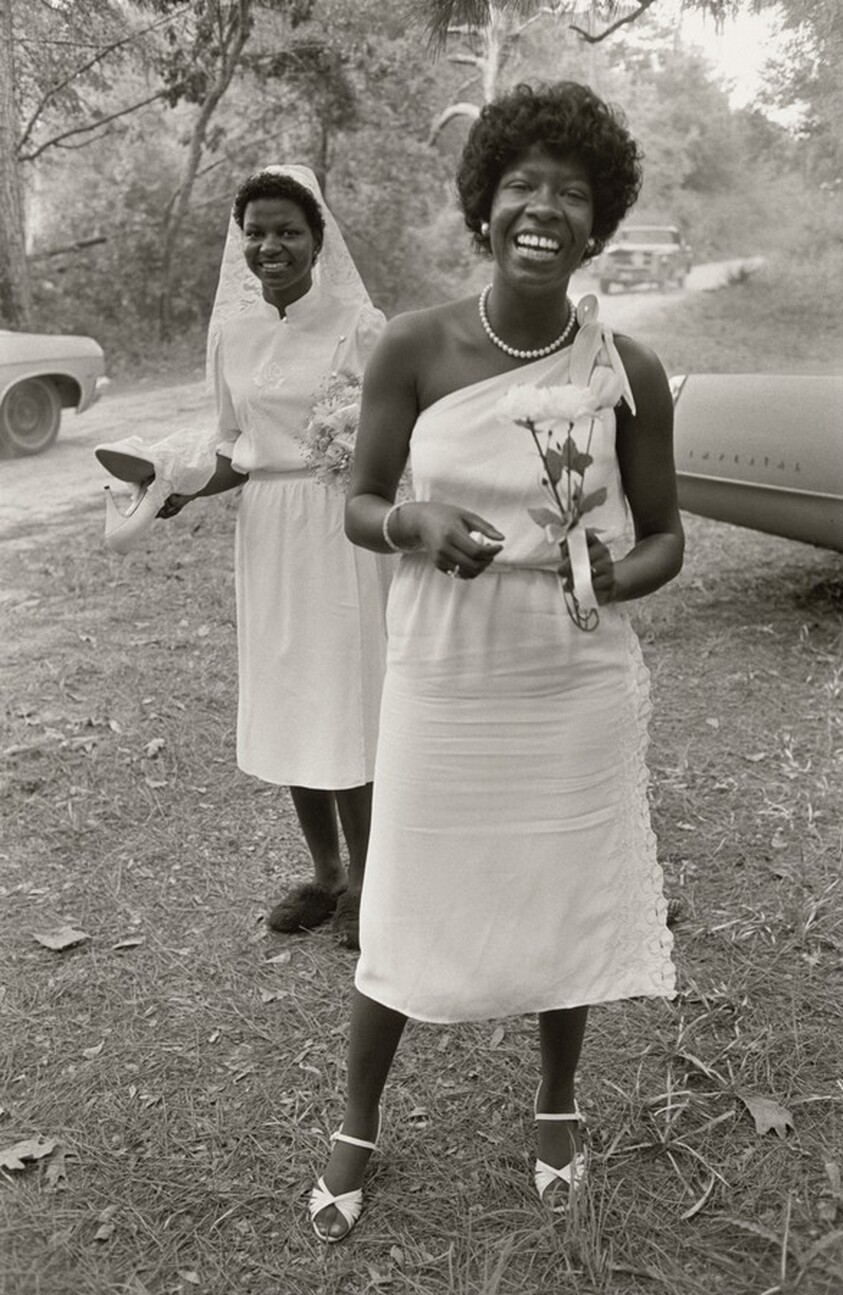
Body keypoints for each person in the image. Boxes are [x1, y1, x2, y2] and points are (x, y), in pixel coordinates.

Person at [307, 82, 685, 1241]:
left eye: (572, 192)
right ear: (485, 203)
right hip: (445, 668)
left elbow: (668, 536)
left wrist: (618, 573)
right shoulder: (415, 346)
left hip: (569, 674)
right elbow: (361, 503)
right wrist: (413, 522)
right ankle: (358, 1122)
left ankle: (556, 1105)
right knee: (402, 892)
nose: (544, 208)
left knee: (559, 889)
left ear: (598, 219)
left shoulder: (629, 368)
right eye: (522, 184)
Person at [101, 166, 392, 949]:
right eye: (255, 232)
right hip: (269, 532)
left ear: (317, 241)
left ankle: (370, 882)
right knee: (292, 696)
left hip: (339, 526)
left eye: (287, 231)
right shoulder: (232, 333)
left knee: (346, 700)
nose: (270, 245)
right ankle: (325, 874)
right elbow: (234, 448)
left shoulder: (360, 325)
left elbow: (393, 435)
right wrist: (178, 488)